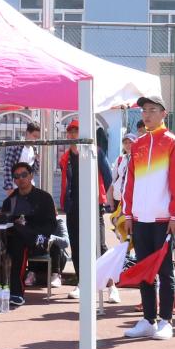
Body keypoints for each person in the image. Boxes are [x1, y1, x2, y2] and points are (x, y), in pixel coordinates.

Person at [122, 95, 175, 340]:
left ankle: (166, 321)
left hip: (163, 220)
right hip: (140, 219)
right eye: (143, 110)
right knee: (144, 270)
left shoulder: (173, 143)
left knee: (164, 271)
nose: (146, 114)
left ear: (163, 113)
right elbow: (130, 182)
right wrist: (128, 213)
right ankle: (149, 319)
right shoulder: (138, 144)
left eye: (152, 110)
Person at [59, 119, 110, 300]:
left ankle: (110, 285)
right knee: (76, 245)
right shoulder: (65, 158)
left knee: (100, 246)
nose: (73, 135)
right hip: (73, 206)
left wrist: (102, 198)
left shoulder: (96, 152)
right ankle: (82, 283)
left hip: (93, 205)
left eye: (76, 131)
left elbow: (108, 176)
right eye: (70, 131)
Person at [1, 162, 58, 308]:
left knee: (19, 239)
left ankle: (16, 293)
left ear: (31, 175)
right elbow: (4, 222)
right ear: (14, 180)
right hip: (16, 242)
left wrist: (31, 231)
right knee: (17, 240)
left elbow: (51, 225)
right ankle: (15, 293)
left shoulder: (44, 198)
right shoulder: (10, 201)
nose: (21, 179)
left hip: (39, 241)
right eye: (17, 176)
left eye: (24, 175)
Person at [2, 121, 42, 197]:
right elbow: (7, 167)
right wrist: (9, 188)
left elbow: (35, 170)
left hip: (30, 187)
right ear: (27, 133)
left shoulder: (34, 149)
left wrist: (37, 160)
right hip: (16, 187)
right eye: (34, 136)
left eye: (38, 138)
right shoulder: (15, 146)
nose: (36, 139)